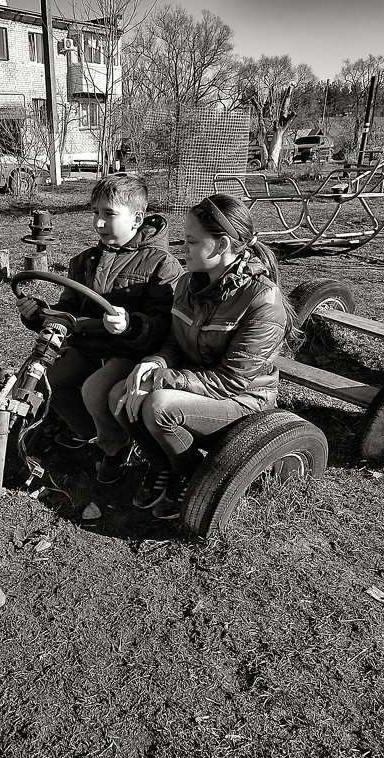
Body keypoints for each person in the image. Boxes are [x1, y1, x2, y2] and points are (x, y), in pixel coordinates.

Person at [111, 192, 293, 520]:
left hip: (244, 400)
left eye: (192, 242)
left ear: (222, 245)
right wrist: (155, 363)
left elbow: (232, 380)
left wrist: (159, 381)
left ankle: (194, 475)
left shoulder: (263, 302)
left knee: (158, 406)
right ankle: (163, 464)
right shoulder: (187, 284)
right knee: (120, 394)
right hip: (195, 383)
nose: (183, 249)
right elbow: (174, 340)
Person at [16, 174, 185, 483]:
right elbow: (68, 308)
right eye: (95, 212)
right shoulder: (84, 261)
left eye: (109, 214)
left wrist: (130, 325)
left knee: (96, 389)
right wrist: (39, 314)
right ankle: (89, 431)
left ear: (136, 219)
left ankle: (115, 448)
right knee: (51, 378)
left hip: (131, 351)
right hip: (90, 345)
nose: (98, 223)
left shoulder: (162, 264)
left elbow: (164, 323)